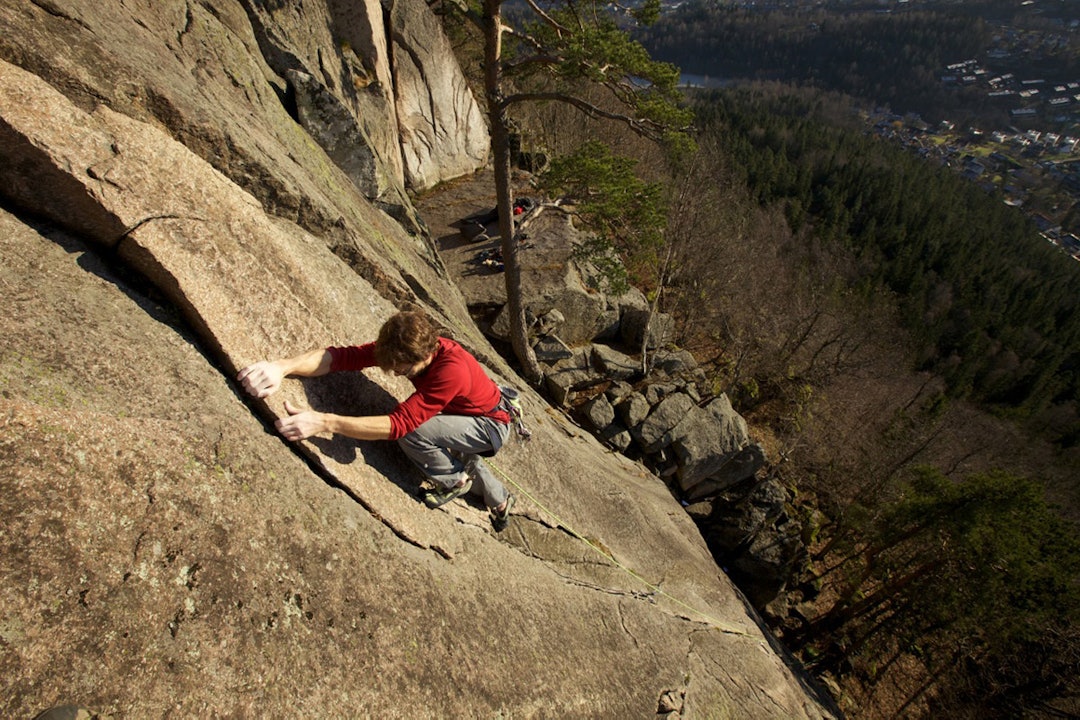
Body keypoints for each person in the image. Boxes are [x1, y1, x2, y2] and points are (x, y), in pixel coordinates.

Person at [237, 311, 516, 531]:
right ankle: (501, 501)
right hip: (465, 413)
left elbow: (400, 424)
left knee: (417, 433)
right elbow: (342, 357)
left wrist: (325, 422)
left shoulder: (450, 371)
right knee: (462, 454)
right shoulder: (404, 344)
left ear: (426, 355)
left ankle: (454, 481)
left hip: (490, 425)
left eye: (403, 370)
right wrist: (282, 367)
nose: (396, 375)